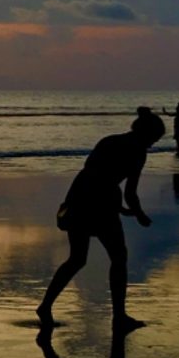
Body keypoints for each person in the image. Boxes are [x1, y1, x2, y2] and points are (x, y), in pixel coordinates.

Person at [37, 108, 165, 332]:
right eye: (154, 139)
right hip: (100, 206)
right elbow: (129, 192)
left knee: (76, 258)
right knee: (119, 257)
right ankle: (119, 316)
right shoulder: (137, 152)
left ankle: (45, 305)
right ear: (147, 134)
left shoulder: (109, 141)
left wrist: (119, 208)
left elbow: (92, 175)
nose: (153, 144)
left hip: (78, 197)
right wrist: (140, 214)